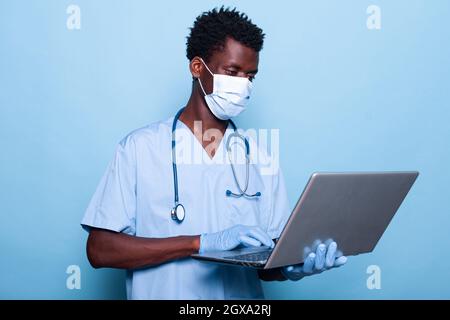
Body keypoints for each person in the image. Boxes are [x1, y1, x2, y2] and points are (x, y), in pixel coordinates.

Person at [81, 6, 347, 300]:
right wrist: (199, 243)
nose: (243, 85)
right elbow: (100, 249)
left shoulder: (260, 158)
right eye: (232, 72)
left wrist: (292, 268)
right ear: (197, 67)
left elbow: (267, 263)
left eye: (251, 76)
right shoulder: (139, 149)